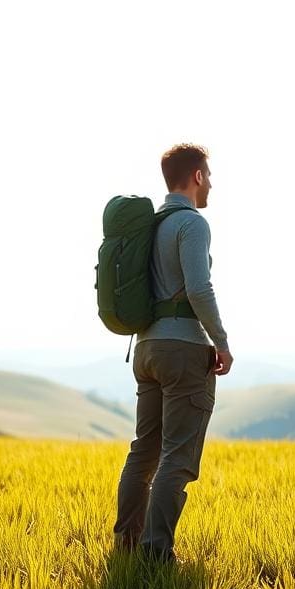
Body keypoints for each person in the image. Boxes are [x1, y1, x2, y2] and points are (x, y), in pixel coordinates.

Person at [112, 143, 233, 563]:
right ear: (197, 177)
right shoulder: (191, 224)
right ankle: (155, 556)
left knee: (143, 451)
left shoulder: (151, 224)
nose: (212, 183)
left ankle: (126, 546)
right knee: (176, 458)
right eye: (210, 175)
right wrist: (221, 341)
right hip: (183, 349)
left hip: (145, 348)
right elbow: (199, 288)